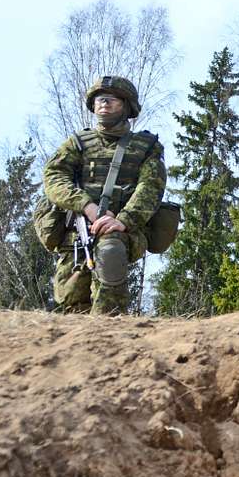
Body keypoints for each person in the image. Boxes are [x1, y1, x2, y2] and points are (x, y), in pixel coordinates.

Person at [43, 76, 166, 314]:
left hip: (122, 232)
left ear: (127, 105)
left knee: (110, 253)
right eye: (100, 99)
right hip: (77, 231)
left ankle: (111, 326)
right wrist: (85, 205)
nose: (104, 103)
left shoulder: (146, 146)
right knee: (70, 300)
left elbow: (151, 188)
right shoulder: (77, 143)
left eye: (112, 99)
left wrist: (122, 221)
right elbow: (54, 176)